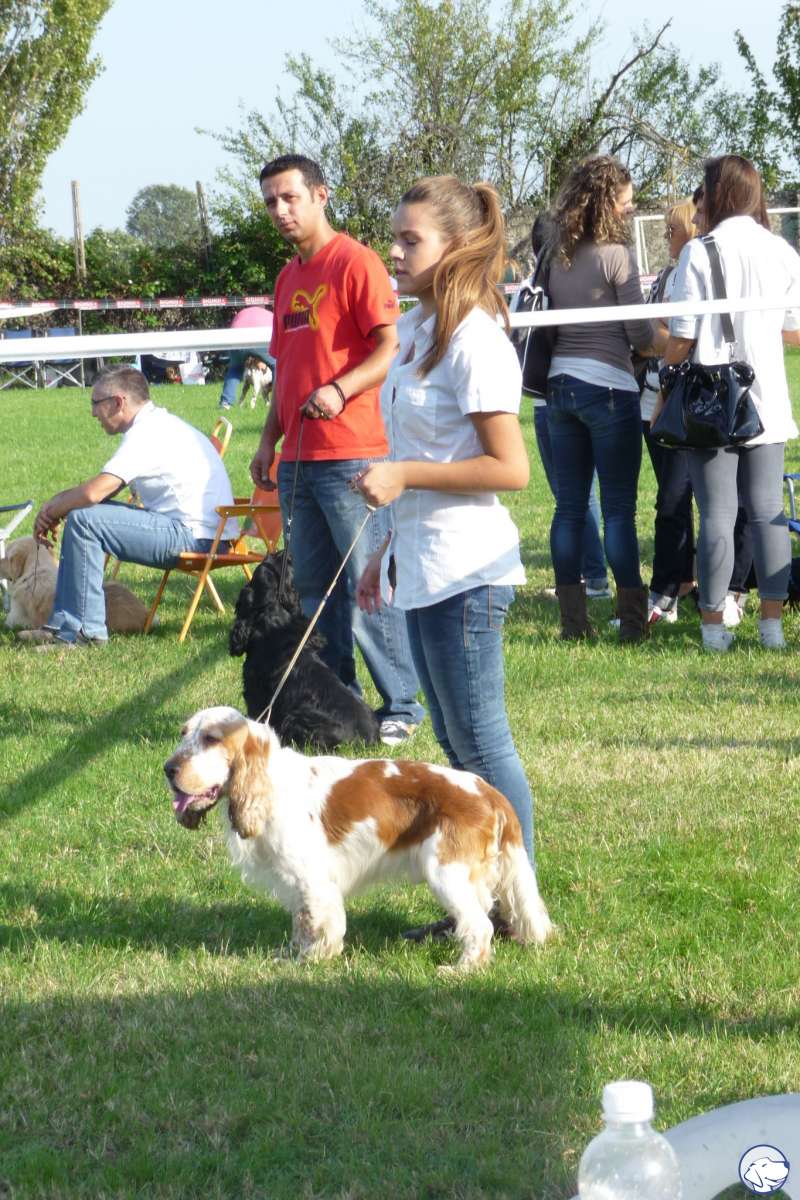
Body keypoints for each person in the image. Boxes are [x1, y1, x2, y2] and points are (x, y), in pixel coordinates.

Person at [354, 175, 543, 939]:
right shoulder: (418, 328)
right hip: (423, 563)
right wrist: (386, 548)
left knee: (481, 745)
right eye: (395, 238)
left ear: (457, 246)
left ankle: (516, 905)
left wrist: (403, 476)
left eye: (411, 240)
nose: (394, 253)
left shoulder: (475, 341)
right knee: (460, 749)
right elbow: (418, 451)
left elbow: (510, 469)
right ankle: (489, 901)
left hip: (469, 571)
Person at [249, 154, 424, 745]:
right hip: (298, 460)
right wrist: (268, 441)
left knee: (366, 587)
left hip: (353, 455)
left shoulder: (356, 262)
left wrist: (341, 389)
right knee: (312, 591)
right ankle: (341, 700)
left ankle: (401, 704)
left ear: (321, 196)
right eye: (271, 201)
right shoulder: (285, 279)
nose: (280, 210)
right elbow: (285, 370)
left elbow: (389, 348)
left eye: (289, 198)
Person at [652, 154, 800, 651]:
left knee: (716, 513)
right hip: (766, 399)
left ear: (716, 194)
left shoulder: (699, 252)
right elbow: (794, 330)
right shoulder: (781, 250)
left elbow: (682, 337)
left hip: (711, 400)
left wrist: (664, 387)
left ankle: (714, 629)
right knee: (767, 511)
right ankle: (772, 627)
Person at [24, 366, 238, 649]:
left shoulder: (147, 433)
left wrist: (52, 510)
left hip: (196, 538)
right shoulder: (157, 425)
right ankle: (63, 626)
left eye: (95, 403)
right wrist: (59, 506)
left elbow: (94, 492)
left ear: (118, 402)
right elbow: (103, 490)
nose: (92, 413)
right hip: (205, 533)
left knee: (85, 520)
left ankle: (84, 633)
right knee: (83, 515)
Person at [545, 155, 667, 643]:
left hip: (560, 388)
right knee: (618, 510)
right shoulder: (617, 256)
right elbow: (641, 335)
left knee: (569, 508)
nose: (631, 209)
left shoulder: (556, 254)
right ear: (607, 203)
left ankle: (573, 624)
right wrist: (670, 339)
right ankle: (633, 623)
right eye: (626, 202)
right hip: (610, 390)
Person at [511, 211, 610, 600]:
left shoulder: (531, 290)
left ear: (537, 246)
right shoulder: (586, 282)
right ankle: (594, 574)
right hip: (592, 391)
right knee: (589, 493)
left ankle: (593, 577)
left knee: (571, 497)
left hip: (549, 400)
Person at [639, 196, 697, 624]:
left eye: (672, 229)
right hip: (652, 396)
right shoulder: (665, 275)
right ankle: (685, 582)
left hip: (680, 401)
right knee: (672, 495)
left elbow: (676, 338)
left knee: (673, 500)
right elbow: (647, 334)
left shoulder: (693, 274)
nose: (667, 236)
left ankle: (664, 592)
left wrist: (660, 336)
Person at [218, 305, 275, 410]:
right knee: (277, 366)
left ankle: (225, 403)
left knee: (235, 369)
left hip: (237, 337)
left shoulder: (241, 313)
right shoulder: (270, 315)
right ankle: (278, 402)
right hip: (261, 336)